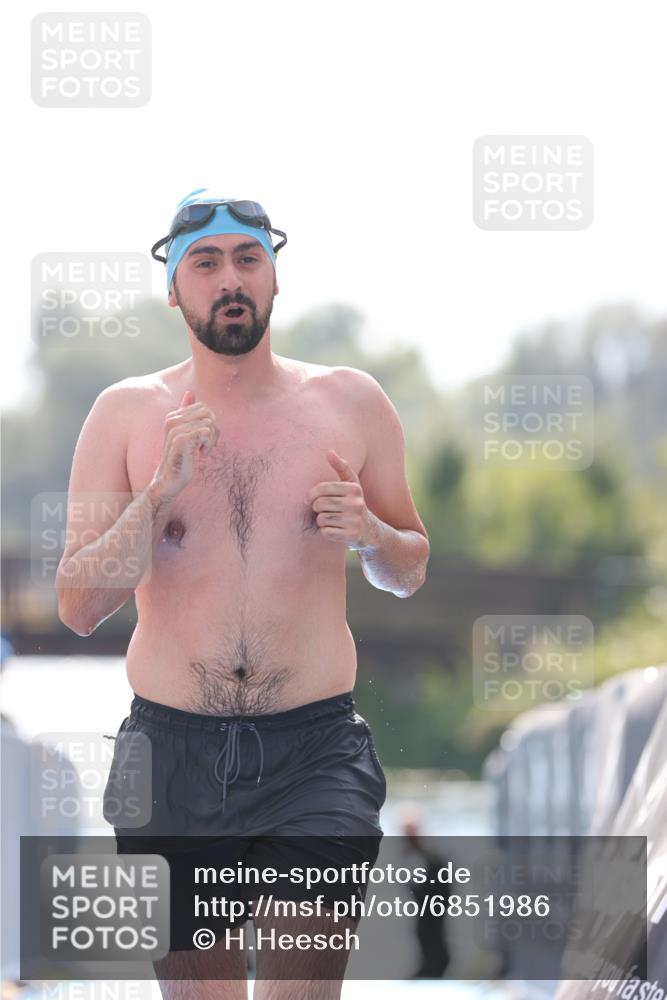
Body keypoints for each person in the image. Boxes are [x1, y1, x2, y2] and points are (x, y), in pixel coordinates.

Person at [56, 190, 430, 999]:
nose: (231, 279)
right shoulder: (123, 416)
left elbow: (409, 568)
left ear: (273, 276)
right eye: (206, 262)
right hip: (169, 761)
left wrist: (370, 530)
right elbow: (79, 604)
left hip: (315, 755)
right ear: (174, 288)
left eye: (248, 259)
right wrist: (154, 499)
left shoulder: (350, 402)